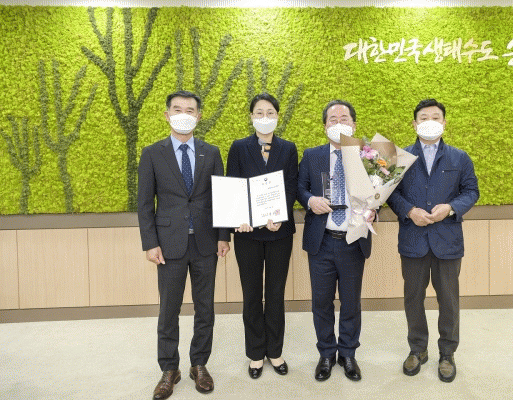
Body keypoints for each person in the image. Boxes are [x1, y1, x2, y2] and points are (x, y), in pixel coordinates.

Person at [137, 90, 230, 399]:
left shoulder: (211, 152)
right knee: (169, 309)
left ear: (198, 116)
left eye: (190, 110)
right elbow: (144, 203)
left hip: (206, 243)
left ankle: (199, 364)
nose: (183, 114)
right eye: (177, 109)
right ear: (167, 115)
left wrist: (223, 236)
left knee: (205, 308)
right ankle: (169, 369)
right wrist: (150, 243)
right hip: (168, 244)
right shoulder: (152, 153)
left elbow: (220, 198)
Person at [387, 98, 479, 383]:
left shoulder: (459, 158)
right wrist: (409, 211)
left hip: (447, 240)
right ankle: (418, 349)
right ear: (414, 124)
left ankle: (447, 353)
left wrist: (450, 208)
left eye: (435, 117)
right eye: (423, 117)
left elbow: (471, 191)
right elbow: (390, 193)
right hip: (413, 239)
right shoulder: (399, 157)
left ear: (444, 122)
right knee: (413, 298)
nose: (430, 121)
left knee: (448, 300)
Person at [297, 100, 376, 382]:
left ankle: (348, 354)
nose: (339, 123)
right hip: (322, 241)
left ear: (354, 124)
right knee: (321, 302)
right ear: (325, 126)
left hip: (353, 240)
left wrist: (374, 210)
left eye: (344, 118)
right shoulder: (312, 155)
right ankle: (327, 353)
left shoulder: (369, 156)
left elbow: (379, 192)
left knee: (351, 302)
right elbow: (299, 187)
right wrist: (310, 200)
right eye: (333, 119)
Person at [226, 93, 298, 379]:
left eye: (270, 112)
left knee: (276, 294)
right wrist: (239, 218)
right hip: (248, 235)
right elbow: (233, 185)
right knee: (252, 294)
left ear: (277, 117)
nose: (264, 117)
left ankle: (275, 351)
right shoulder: (239, 147)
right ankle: (256, 353)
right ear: (251, 116)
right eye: (259, 112)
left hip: (280, 233)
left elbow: (291, 185)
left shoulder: (288, 148)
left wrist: (280, 216)